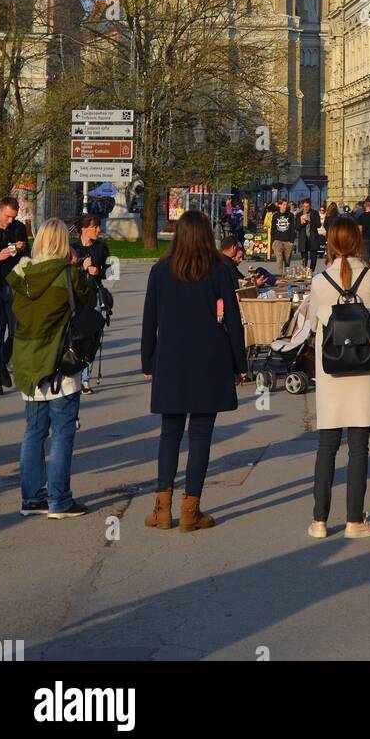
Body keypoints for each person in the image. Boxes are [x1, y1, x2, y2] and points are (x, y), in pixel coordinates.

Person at [141, 210, 248, 532]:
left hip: (171, 359)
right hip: (209, 359)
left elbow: (150, 321)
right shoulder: (217, 270)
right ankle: (191, 510)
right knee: (201, 435)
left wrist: (148, 362)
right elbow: (232, 319)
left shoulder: (160, 270)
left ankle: (162, 509)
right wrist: (240, 363)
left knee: (169, 433)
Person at [10, 218, 97, 518]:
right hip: (60, 361)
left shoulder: (21, 274)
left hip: (27, 360)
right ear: (62, 243)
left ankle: (32, 497)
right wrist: (77, 267)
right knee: (62, 432)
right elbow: (89, 298)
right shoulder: (67, 274)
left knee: (34, 432)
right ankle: (59, 499)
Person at [306, 214, 370, 539]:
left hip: (333, 371)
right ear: (357, 240)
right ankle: (355, 521)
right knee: (359, 447)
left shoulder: (320, 280)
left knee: (327, 446)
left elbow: (313, 324)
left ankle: (319, 521)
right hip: (364, 369)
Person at [0, 195, 30, 395]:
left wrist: (20, 248)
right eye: (8, 216)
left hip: (13, 284)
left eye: (14, 217)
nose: (11, 220)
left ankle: (2, 362)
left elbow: (26, 255)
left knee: (17, 331)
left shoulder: (18, 228)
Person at [70, 213, 111, 395]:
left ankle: (85, 379)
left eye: (99, 226)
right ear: (84, 229)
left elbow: (112, 274)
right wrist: (80, 266)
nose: (98, 230)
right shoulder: (72, 247)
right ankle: (74, 373)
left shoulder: (102, 248)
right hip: (75, 299)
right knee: (75, 338)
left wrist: (99, 271)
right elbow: (65, 271)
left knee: (92, 339)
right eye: (95, 227)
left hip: (94, 297)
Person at [270, 198, 297, 275]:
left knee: (287, 261)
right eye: (283, 205)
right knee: (279, 259)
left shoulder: (290, 215)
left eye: (286, 204)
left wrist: (292, 241)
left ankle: (286, 275)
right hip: (278, 241)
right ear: (279, 205)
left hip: (288, 241)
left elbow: (292, 228)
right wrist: (273, 241)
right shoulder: (275, 215)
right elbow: (273, 229)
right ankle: (280, 276)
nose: (285, 206)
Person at [297, 199, 321, 274]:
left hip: (313, 238)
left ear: (310, 206)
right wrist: (301, 223)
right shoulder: (299, 214)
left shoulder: (315, 213)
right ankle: (305, 272)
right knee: (304, 258)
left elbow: (318, 225)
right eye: (304, 206)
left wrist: (310, 220)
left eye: (307, 206)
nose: (305, 208)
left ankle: (311, 271)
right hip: (303, 239)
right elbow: (297, 227)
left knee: (313, 258)